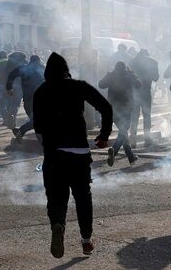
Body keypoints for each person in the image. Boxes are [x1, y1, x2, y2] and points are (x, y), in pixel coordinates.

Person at [33, 52, 113, 258]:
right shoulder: (79, 86)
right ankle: (86, 241)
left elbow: (38, 129)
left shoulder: (40, 91)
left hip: (54, 154)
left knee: (56, 197)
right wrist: (104, 135)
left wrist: (48, 149)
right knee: (82, 197)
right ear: (66, 70)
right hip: (79, 151)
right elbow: (106, 107)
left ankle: (58, 225)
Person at [98, 61, 141, 166]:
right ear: (125, 68)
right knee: (123, 132)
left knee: (123, 133)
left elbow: (101, 84)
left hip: (113, 109)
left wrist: (110, 74)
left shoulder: (112, 76)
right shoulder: (128, 75)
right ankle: (114, 149)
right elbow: (138, 85)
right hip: (126, 108)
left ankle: (131, 158)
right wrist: (132, 74)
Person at [7, 55, 45, 140]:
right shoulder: (42, 68)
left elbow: (11, 76)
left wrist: (9, 88)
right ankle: (21, 131)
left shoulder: (24, 68)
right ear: (38, 61)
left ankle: (21, 132)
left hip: (28, 100)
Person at [128, 49, 159, 148]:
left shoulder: (132, 62)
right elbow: (156, 78)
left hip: (135, 92)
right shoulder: (153, 62)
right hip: (146, 91)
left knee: (134, 116)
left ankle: (133, 140)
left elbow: (128, 77)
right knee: (147, 116)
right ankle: (147, 139)